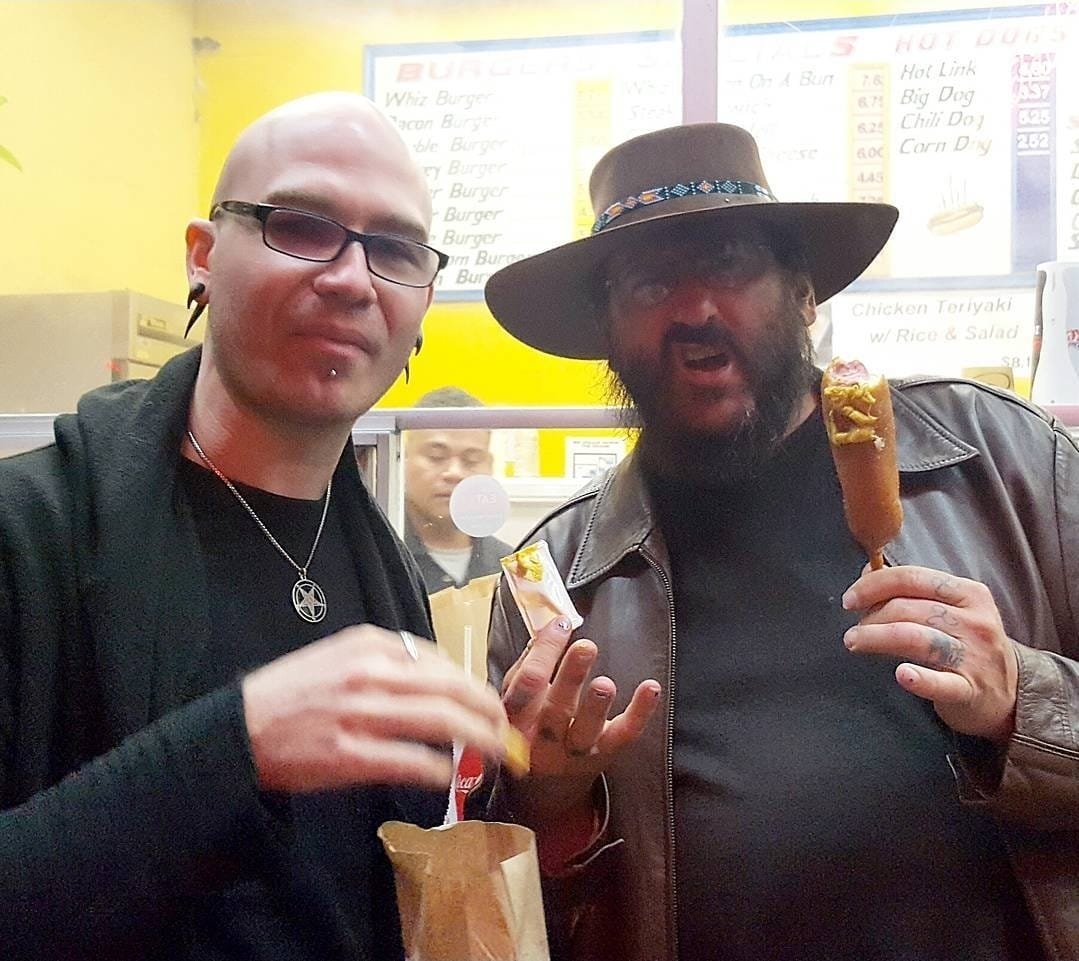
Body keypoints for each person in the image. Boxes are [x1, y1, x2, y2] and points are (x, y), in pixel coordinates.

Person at [481, 123, 1079, 961]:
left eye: (729, 262)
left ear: (802, 294)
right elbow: (509, 917)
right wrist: (549, 804)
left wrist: (1026, 699)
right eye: (650, 283)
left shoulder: (1004, 464)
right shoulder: (555, 585)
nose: (693, 310)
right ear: (607, 334)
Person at [0, 92, 513, 961]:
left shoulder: (395, 582)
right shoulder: (28, 535)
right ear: (201, 257)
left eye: (392, 248)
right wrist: (234, 747)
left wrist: (517, 775)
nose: (351, 278)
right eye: (302, 225)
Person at [403, 385, 512, 592]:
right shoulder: (379, 559)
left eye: (471, 460)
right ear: (403, 458)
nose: (454, 473)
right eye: (436, 457)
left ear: (489, 466)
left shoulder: (509, 569)